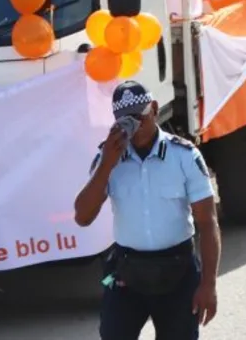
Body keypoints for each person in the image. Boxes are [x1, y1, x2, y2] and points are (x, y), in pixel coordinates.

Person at [75, 81, 220, 340]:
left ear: (153, 109)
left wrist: (208, 284)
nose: (133, 126)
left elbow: (208, 223)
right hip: (127, 271)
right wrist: (107, 163)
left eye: (138, 117)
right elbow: (82, 217)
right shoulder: (107, 158)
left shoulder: (184, 155)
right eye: (125, 121)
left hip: (178, 269)